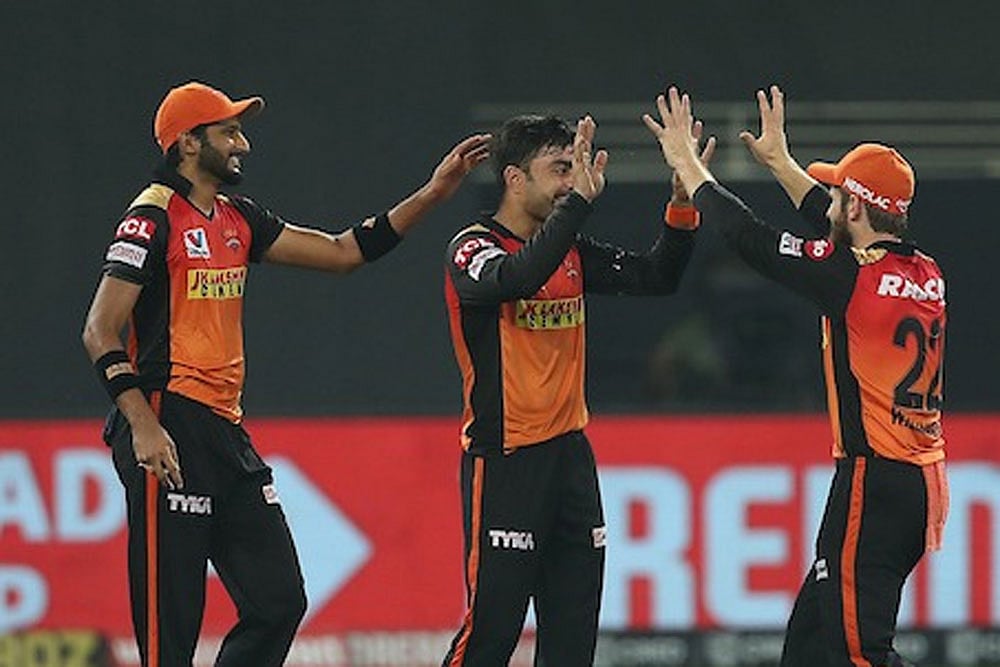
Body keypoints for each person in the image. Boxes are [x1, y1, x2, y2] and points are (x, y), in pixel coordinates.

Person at [81, 80, 490, 667]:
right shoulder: (151, 217)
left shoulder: (237, 217)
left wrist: (432, 193)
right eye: (228, 132)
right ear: (189, 143)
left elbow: (343, 252)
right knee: (170, 631)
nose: (242, 143)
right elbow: (99, 329)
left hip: (223, 431)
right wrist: (143, 425)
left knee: (279, 600)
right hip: (168, 423)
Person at [644, 85, 948, 667]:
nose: (828, 204)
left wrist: (689, 165)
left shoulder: (848, 279)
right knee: (809, 645)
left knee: (859, 654)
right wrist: (781, 163)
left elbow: (749, 238)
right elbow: (839, 230)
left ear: (854, 208)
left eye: (836, 195)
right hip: (912, 484)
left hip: (874, 484)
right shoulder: (926, 273)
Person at [440, 113, 712, 666]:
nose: (572, 180)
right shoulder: (472, 248)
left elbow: (656, 276)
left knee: (572, 639)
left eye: (575, 168)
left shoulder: (568, 249)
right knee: (492, 633)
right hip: (507, 460)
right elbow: (513, 279)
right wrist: (578, 205)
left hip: (570, 462)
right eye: (559, 169)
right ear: (515, 179)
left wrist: (682, 205)